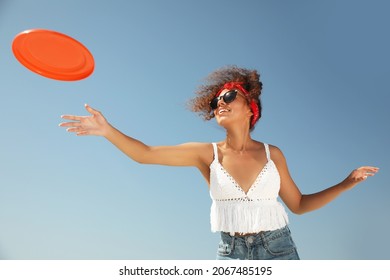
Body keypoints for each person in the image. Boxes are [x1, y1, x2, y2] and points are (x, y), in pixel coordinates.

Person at [59, 65, 378, 260]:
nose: (219, 104)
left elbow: (298, 204)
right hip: (231, 253)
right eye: (215, 102)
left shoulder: (272, 154)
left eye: (228, 97)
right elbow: (146, 154)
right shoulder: (206, 153)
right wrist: (106, 130)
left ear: (251, 108)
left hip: (279, 249)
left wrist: (346, 183)